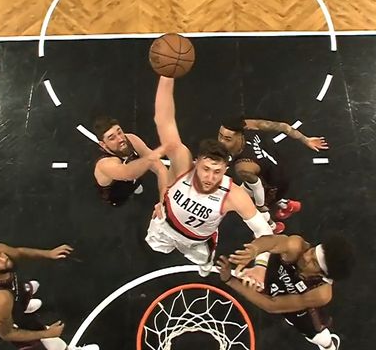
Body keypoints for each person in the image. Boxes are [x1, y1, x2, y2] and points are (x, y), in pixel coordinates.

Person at [146, 76, 274, 280]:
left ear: (226, 169)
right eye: (205, 168)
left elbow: (266, 232)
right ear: (196, 162)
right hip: (164, 225)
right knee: (155, 248)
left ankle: (205, 265)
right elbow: (164, 120)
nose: (210, 177)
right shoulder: (183, 165)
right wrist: (167, 75)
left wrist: (261, 265)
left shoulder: (233, 195)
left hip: (198, 242)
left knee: (204, 263)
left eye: (217, 171)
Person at [217, 234, 355, 350]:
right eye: (312, 251)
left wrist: (230, 280)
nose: (306, 257)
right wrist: (254, 250)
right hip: (274, 278)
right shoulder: (296, 247)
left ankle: (329, 345)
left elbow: (272, 305)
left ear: (322, 275)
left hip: (296, 306)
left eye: (313, 263)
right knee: (262, 272)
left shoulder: (320, 293)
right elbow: (271, 242)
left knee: (318, 336)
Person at [0, 242, 98, 350]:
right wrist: (47, 333)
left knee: (26, 289)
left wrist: (48, 253)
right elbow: (7, 333)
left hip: (12, 295)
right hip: (7, 323)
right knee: (48, 340)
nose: (3, 258)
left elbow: (19, 252)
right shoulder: (1, 299)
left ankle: (24, 305)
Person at [217, 117, 328, 226]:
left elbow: (258, 187)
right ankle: (287, 205)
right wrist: (306, 139)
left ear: (239, 136)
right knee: (247, 189)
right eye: (220, 136)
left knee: (250, 204)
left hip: (273, 185)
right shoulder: (248, 126)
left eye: (227, 139)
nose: (221, 142)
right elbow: (284, 127)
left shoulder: (243, 167)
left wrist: (261, 206)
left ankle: (272, 226)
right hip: (278, 167)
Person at [92, 116, 168, 207]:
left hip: (132, 179)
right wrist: (151, 158)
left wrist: (164, 201)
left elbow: (160, 168)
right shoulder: (105, 163)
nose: (120, 139)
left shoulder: (131, 139)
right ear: (103, 144)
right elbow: (128, 174)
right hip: (115, 195)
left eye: (119, 132)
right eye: (112, 138)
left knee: (135, 180)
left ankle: (134, 186)